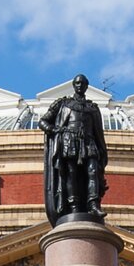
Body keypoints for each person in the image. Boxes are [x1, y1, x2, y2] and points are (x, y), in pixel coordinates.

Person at [40, 74, 108, 225]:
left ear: (86, 86)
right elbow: (43, 121)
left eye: (82, 83)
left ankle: (93, 205)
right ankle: (74, 206)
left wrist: (103, 153)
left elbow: (98, 133)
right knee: (71, 174)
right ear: (73, 85)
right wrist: (55, 130)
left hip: (89, 142)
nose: (79, 86)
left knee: (92, 171)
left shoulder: (93, 108)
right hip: (68, 142)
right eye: (77, 83)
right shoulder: (63, 104)